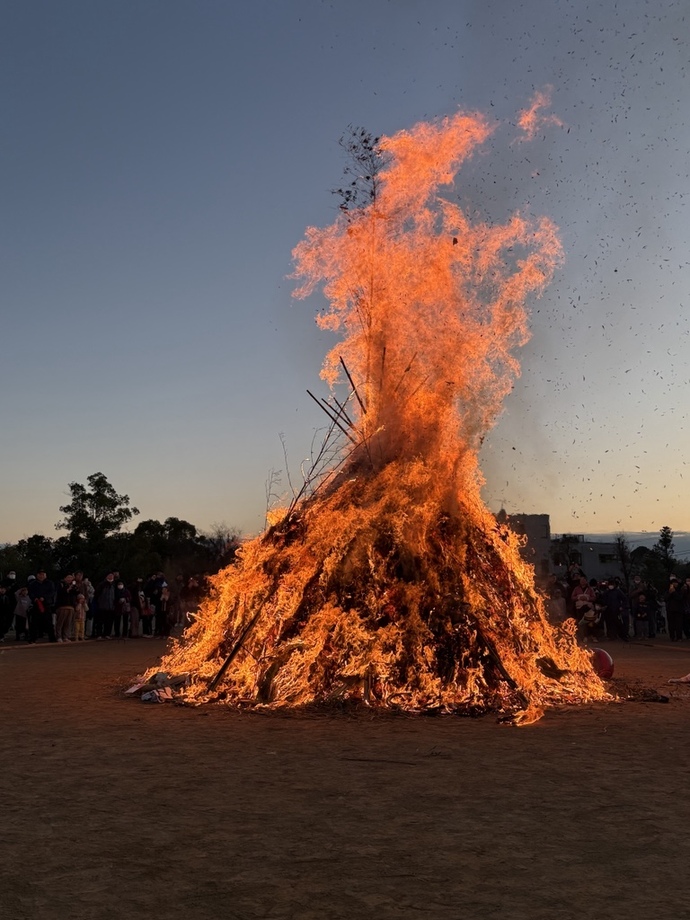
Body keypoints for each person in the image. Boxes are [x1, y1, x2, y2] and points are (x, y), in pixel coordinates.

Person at [28, 569, 56, 643]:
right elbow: (30, 593)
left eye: (43, 574)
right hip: (36, 605)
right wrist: (35, 598)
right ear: (37, 575)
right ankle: (33, 638)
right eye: (40, 574)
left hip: (46, 604)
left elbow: (52, 592)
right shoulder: (33, 584)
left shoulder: (50, 583)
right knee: (34, 623)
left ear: (45, 575)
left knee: (49, 622)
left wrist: (44, 597)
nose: (41, 576)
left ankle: (52, 638)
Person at [55, 573, 77, 642]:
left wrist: (73, 584)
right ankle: (58, 636)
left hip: (71, 606)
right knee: (60, 623)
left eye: (71, 577)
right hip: (62, 606)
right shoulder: (60, 584)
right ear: (65, 578)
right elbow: (61, 592)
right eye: (68, 577)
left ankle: (65, 636)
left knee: (68, 623)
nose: (69, 579)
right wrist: (68, 588)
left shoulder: (73, 585)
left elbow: (76, 591)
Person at [93, 573, 116, 639]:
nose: (111, 576)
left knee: (109, 622)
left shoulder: (114, 585)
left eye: (112, 575)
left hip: (111, 606)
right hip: (102, 606)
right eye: (109, 575)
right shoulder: (101, 584)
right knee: (100, 621)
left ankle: (107, 634)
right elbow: (96, 594)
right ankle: (99, 634)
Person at [665, 577, 684, 642]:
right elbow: (666, 599)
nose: (675, 584)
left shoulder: (680, 590)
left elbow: (680, 598)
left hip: (678, 610)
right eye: (673, 583)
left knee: (679, 624)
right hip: (670, 609)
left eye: (676, 583)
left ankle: (679, 637)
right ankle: (672, 637)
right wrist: (670, 593)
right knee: (671, 624)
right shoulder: (668, 591)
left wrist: (674, 592)